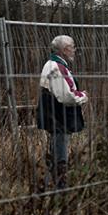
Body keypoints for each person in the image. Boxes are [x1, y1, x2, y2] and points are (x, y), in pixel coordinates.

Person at [37, 34, 88, 190]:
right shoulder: (57, 67)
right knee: (60, 157)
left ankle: (48, 188)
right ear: (65, 49)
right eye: (72, 47)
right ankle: (60, 190)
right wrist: (83, 96)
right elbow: (66, 96)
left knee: (54, 155)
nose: (74, 51)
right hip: (60, 118)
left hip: (54, 117)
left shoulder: (51, 64)